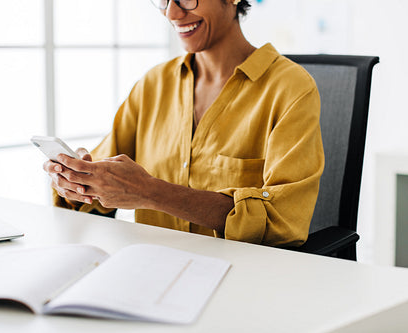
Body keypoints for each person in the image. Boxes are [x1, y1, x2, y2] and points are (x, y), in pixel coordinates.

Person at [44, 0, 324, 247]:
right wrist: (77, 181)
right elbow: (104, 178)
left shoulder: (291, 89)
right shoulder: (154, 84)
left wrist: (149, 192)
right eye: (163, 0)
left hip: (240, 280)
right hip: (149, 269)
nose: (173, 13)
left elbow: (283, 222)